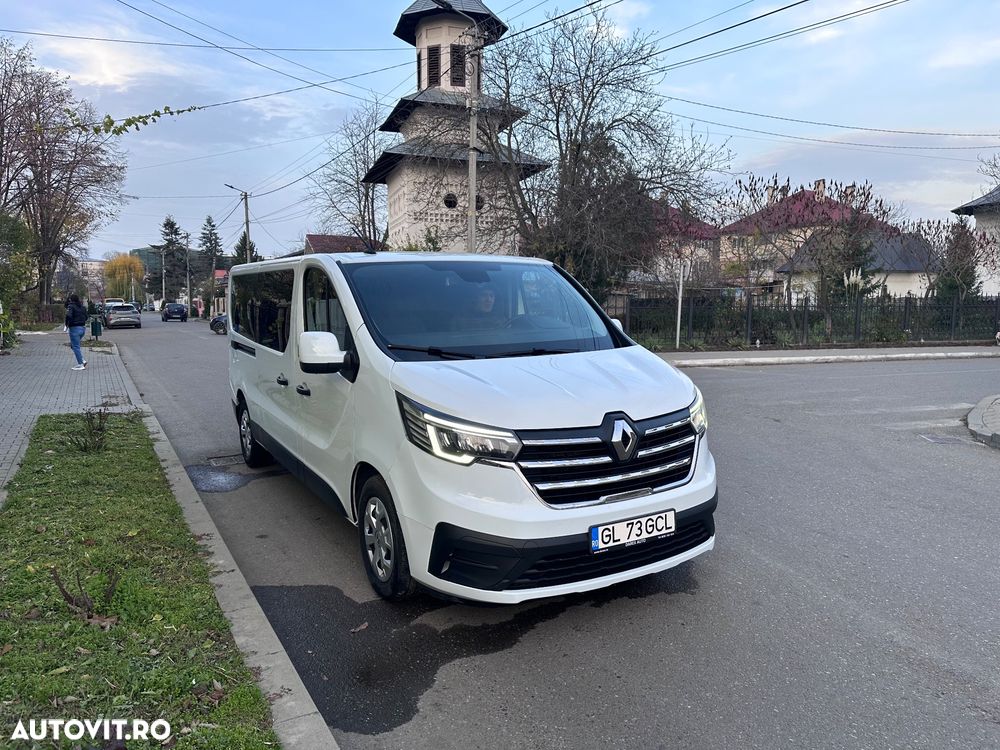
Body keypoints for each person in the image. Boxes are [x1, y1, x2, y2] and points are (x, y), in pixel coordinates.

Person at [64, 294, 88, 370]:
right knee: (73, 345)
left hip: (74, 329)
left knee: (76, 347)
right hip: (82, 328)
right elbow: (86, 317)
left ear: (71, 300)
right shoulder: (82, 307)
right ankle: (82, 360)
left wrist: (67, 324)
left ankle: (80, 364)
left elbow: (69, 316)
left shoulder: (71, 306)